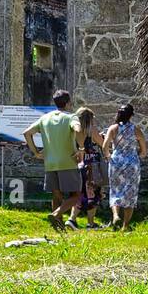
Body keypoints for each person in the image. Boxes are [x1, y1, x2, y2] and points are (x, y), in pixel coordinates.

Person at [23, 89, 82, 231]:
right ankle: (56, 213)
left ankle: (58, 227)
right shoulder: (71, 117)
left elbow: (27, 133)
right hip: (67, 162)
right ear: (68, 103)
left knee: (56, 196)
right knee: (76, 195)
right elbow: (78, 129)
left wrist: (36, 152)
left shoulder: (45, 118)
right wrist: (81, 148)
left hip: (50, 163)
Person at [102, 103, 147, 231]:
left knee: (115, 190)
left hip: (116, 162)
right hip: (132, 162)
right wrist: (139, 155)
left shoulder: (113, 128)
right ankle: (125, 226)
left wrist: (108, 156)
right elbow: (144, 150)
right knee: (130, 193)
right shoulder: (136, 130)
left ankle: (116, 215)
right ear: (131, 115)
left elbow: (105, 146)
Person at [74, 107, 107, 229]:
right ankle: (91, 223)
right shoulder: (90, 129)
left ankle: (72, 220)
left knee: (80, 193)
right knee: (94, 193)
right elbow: (102, 144)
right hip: (91, 165)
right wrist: (103, 138)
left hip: (78, 163)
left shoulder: (74, 130)